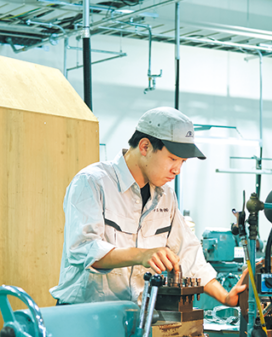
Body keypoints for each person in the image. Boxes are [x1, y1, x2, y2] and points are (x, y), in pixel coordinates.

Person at [50, 107, 248, 306]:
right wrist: (142, 254)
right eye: (173, 159)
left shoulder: (166, 196)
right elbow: (84, 249)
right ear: (144, 147)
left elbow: (188, 253)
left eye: (182, 162)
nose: (177, 170)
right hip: (86, 314)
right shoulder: (93, 182)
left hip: (135, 315)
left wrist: (225, 297)